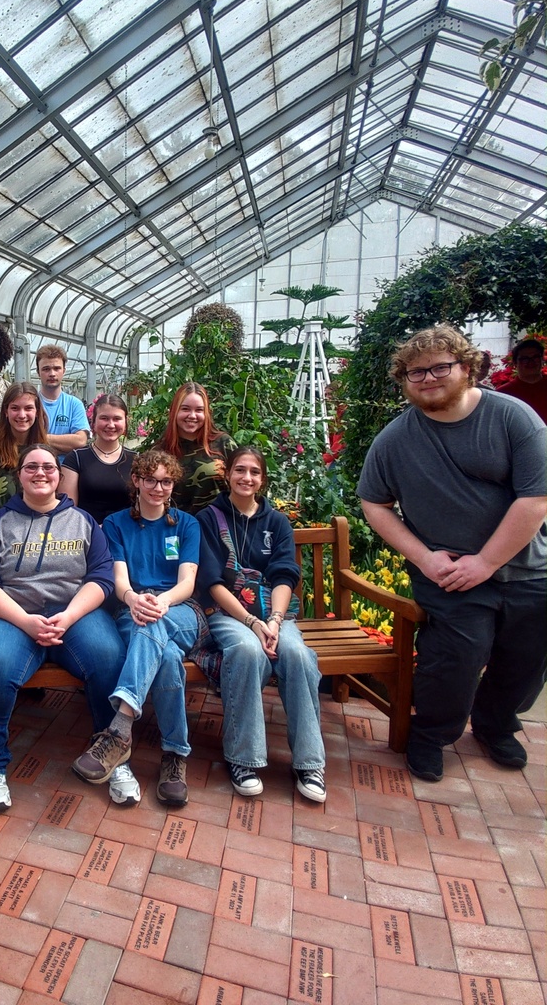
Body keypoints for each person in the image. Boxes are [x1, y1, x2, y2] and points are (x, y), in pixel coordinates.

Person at [358, 326, 546, 782]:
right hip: (448, 574)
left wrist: (487, 562)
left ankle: (495, 725)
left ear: (467, 368)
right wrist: (424, 558)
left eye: (440, 367)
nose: (427, 378)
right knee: (455, 660)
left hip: (526, 569)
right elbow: (374, 504)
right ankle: (431, 733)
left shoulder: (513, 419)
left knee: (525, 659)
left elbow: (535, 499)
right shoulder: (395, 440)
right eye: (414, 371)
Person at [0, 443, 131, 812]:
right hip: (12, 615)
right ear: (19, 476)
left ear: (59, 476)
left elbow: (101, 577)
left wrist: (69, 616)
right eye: (31, 467)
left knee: (109, 655)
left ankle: (113, 755)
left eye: (48, 468)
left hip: (75, 615)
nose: (40, 473)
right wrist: (25, 620)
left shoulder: (84, 521)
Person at [195, 446, 327, 803]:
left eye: (254, 472)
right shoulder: (210, 518)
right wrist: (252, 622)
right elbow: (210, 582)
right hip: (228, 614)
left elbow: (285, 574)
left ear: (262, 479)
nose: (247, 478)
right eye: (240, 470)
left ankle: (309, 762)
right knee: (247, 650)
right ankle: (244, 758)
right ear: (228, 475)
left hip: (273, 613)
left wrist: (275, 620)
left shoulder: (277, 522)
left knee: (297, 654)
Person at [72, 450, 201, 806]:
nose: (158, 488)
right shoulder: (115, 524)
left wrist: (162, 602)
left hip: (181, 611)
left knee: (152, 630)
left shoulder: (186, 524)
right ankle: (176, 756)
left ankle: (119, 730)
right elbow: (119, 580)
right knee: (168, 658)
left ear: (173, 485)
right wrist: (132, 600)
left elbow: (187, 583)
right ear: (137, 482)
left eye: (166, 481)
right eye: (151, 480)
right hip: (134, 611)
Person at [155, 382, 235, 514]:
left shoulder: (223, 444)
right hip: (177, 527)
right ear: (174, 411)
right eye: (185, 409)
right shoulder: (160, 452)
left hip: (219, 528)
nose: (192, 416)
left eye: (199, 410)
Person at [0, 381, 48, 521]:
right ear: (6, 412)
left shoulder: (45, 453)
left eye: (28, 408)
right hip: (1, 532)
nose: (22, 415)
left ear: (37, 412)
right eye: (15, 408)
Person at [59, 394, 136, 525]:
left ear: (125, 421)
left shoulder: (136, 460)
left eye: (117, 418)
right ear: (93, 422)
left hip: (125, 535)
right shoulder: (76, 458)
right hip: (87, 533)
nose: (111, 425)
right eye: (104, 418)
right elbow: (68, 510)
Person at [35, 344, 91, 456]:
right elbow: (23, 441)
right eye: (46, 369)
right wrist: (67, 446)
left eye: (57, 368)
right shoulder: (31, 403)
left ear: (64, 371)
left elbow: (80, 441)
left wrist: (40, 438)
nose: (52, 374)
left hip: (68, 470)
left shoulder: (74, 404)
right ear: (38, 372)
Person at [497, 337, 547, 423]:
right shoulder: (503, 394)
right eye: (525, 359)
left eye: (535, 357)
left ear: (542, 360)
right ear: (515, 363)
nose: (531, 362)